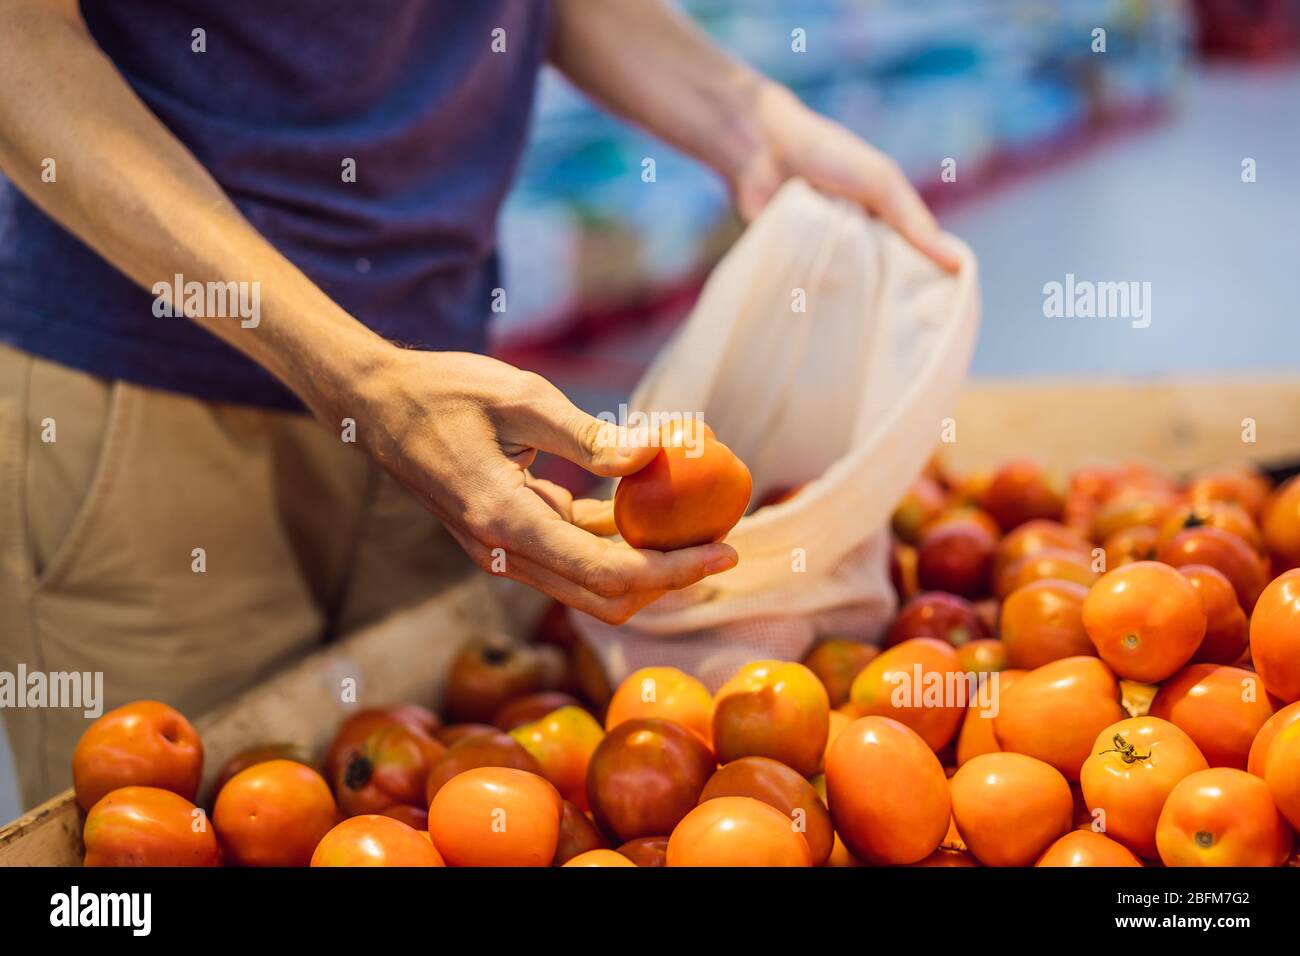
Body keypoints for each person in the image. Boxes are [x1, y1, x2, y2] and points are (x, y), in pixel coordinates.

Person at [0, 0, 957, 807]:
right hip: (142, 388)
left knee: (413, 798)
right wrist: (361, 379)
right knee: (161, 835)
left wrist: (750, 119)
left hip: (444, 387)